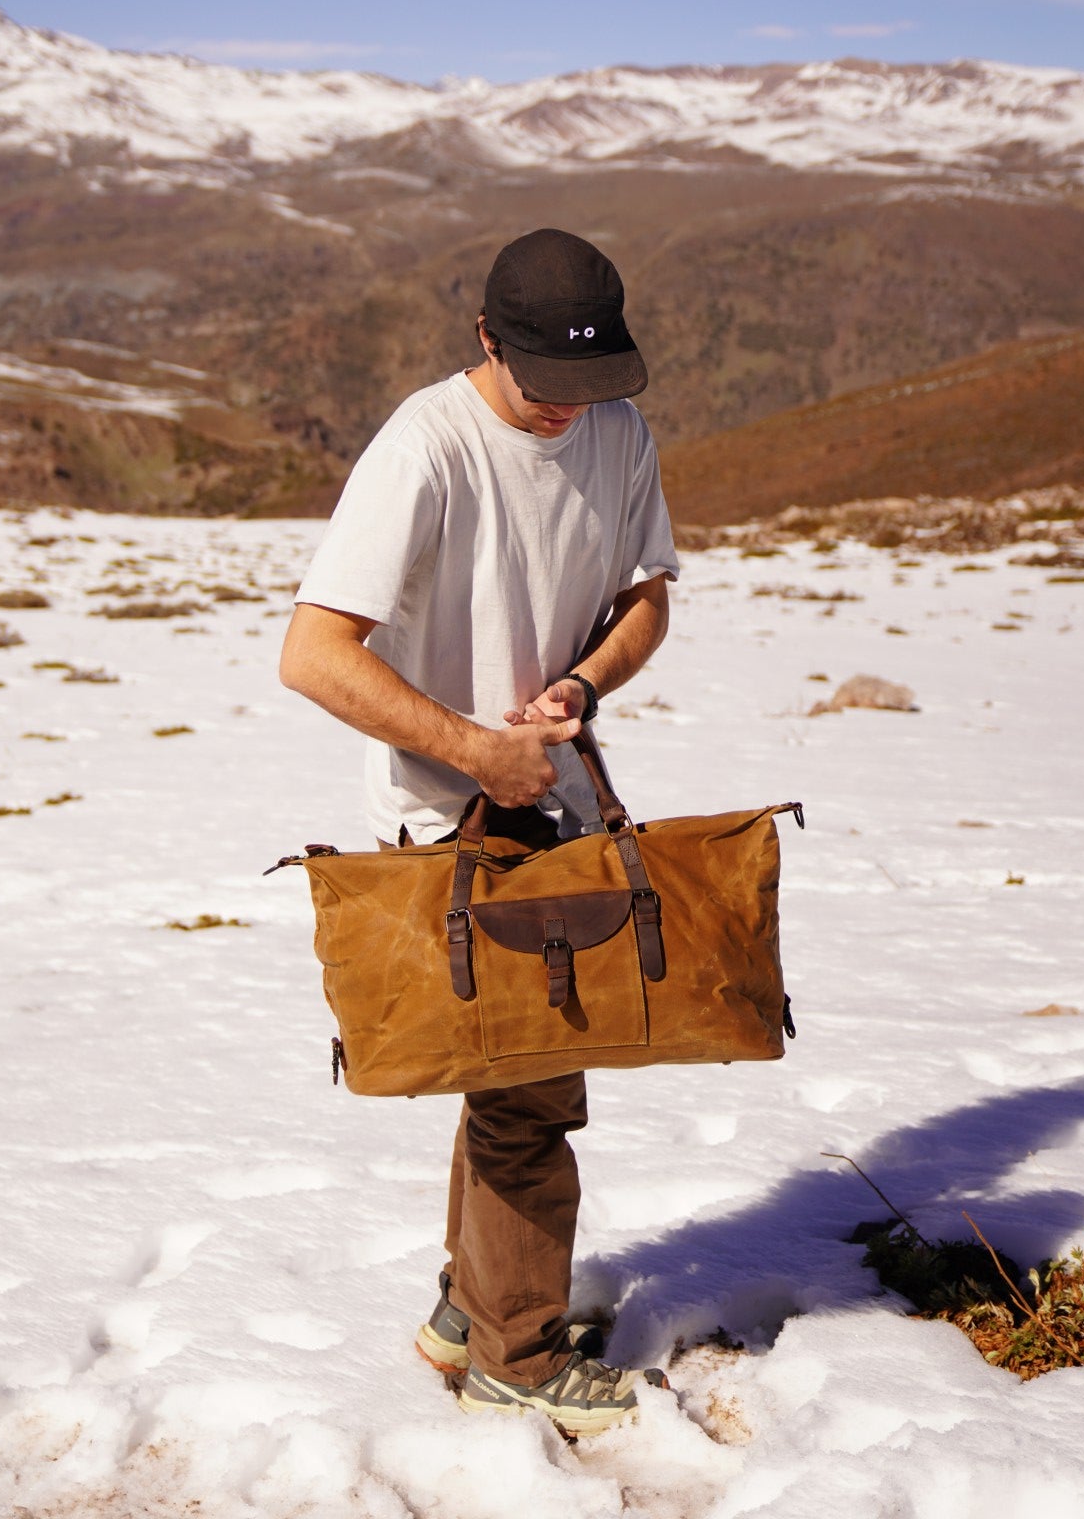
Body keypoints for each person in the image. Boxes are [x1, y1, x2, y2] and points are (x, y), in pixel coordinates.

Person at [278, 228, 679, 1435]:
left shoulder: (617, 427)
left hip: (550, 796)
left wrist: (584, 684)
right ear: (486, 341)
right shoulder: (426, 447)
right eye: (544, 382)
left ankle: (469, 1309)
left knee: (508, 1074)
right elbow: (311, 654)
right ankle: (518, 1356)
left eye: (590, 382)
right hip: (439, 819)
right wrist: (473, 749)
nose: (567, 409)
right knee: (531, 1092)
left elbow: (647, 598)